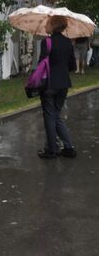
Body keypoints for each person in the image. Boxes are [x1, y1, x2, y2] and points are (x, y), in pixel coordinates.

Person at [37, 16, 77, 159]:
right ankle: (69, 147)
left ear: (53, 25)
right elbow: (73, 66)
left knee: (49, 116)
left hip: (49, 85)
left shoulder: (47, 42)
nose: (45, 26)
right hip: (64, 84)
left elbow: (41, 64)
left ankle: (51, 150)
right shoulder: (68, 43)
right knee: (55, 115)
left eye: (47, 23)